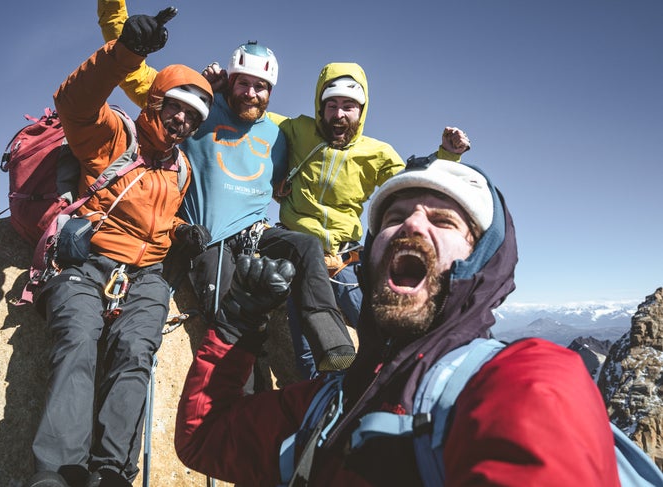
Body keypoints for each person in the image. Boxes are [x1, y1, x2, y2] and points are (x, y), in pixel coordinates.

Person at [174, 158, 620, 485]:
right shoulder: (328, 402)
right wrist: (238, 323)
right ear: (369, 257)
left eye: (443, 220)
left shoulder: (525, 381)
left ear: (480, 263)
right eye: (393, 218)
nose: (411, 227)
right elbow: (207, 438)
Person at [98, 0, 357, 375]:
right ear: (230, 81)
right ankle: (241, 391)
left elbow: (331, 142)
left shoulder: (279, 132)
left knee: (304, 246)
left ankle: (332, 342)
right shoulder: (198, 108)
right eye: (244, 83)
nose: (252, 93)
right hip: (207, 237)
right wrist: (118, 17)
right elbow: (132, 74)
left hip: (254, 232)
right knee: (231, 313)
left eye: (261, 87)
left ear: (271, 91)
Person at [25, 10, 214, 487]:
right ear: (155, 99)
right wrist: (126, 52)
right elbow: (74, 101)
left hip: (146, 275)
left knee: (136, 350)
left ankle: (110, 473)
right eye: (176, 107)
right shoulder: (113, 135)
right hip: (86, 264)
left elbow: (154, 221)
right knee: (78, 341)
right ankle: (57, 471)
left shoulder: (181, 169)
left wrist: (178, 235)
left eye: (192, 117)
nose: (182, 120)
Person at [267, 62, 471, 378]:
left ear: (362, 111)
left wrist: (446, 155)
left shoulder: (376, 153)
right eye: (331, 105)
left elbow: (411, 180)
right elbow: (249, 115)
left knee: (380, 331)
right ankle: (315, 414)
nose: (338, 114)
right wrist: (223, 86)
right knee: (307, 350)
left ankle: (381, 395)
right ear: (320, 107)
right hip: (299, 253)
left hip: (343, 258)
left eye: (348, 106)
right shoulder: (297, 129)